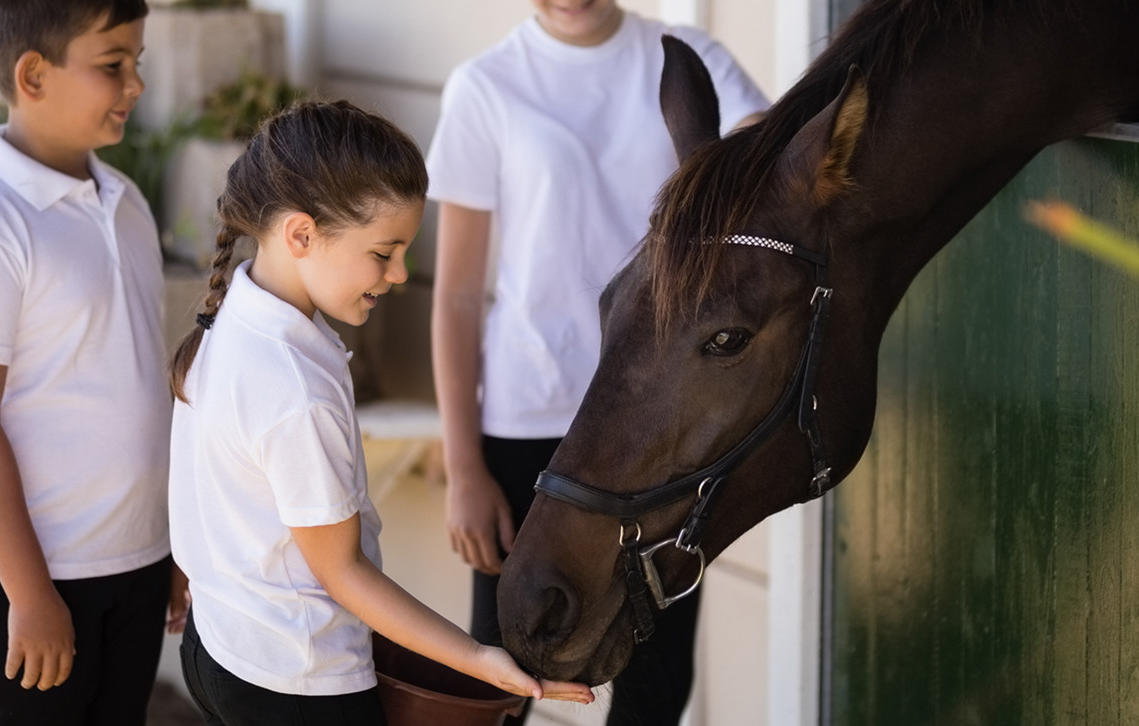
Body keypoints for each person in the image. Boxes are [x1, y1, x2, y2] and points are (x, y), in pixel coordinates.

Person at [168, 100, 595, 725]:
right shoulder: (294, 387)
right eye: (383, 252)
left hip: (218, 647)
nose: (398, 274)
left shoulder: (235, 314)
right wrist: (477, 659)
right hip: (298, 683)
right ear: (301, 234)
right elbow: (342, 572)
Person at [426, 1, 769, 723]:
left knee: (655, 680)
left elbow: (766, 159)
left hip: (661, 419)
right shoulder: (485, 86)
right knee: (503, 677)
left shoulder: (687, 61)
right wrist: (463, 468)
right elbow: (455, 295)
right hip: (529, 418)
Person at [0, 1, 185, 723]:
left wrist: (170, 543)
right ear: (33, 75)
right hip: (26, 579)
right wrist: (31, 594)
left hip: (135, 561)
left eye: (137, 62)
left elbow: (140, 385)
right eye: (112, 64)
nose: (135, 84)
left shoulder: (127, 203)